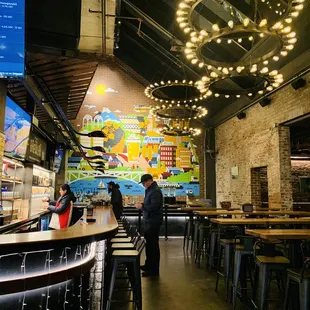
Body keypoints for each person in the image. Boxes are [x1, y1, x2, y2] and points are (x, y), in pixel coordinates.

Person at [135, 174, 163, 277]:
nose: (143, 185)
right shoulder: (149, 190)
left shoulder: (155, 191)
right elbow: (149, 204)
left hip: (153, 222)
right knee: (149, 245)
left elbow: (154, 207)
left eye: (144, 183)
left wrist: (141, 206)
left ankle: (153, 270)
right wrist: (143, 205)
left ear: (149, 181)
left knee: (153, 246)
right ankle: (148, 265)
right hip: (149, 221)